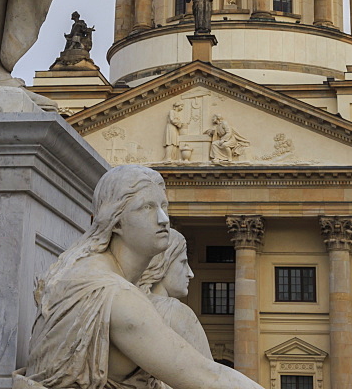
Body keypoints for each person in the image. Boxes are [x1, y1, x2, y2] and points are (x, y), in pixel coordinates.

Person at [25, 164, 264, 389]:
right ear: (115, 221)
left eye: (164, 206)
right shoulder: (116, 297)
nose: (163, 219)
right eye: (147, 207)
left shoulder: (83, 270)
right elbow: (205, 377)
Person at [138, 229, 212, 364]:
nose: (190, 273)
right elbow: (211, 376)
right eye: (183, 262)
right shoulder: (175, 311)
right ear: (163, 264)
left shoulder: (129, 304)